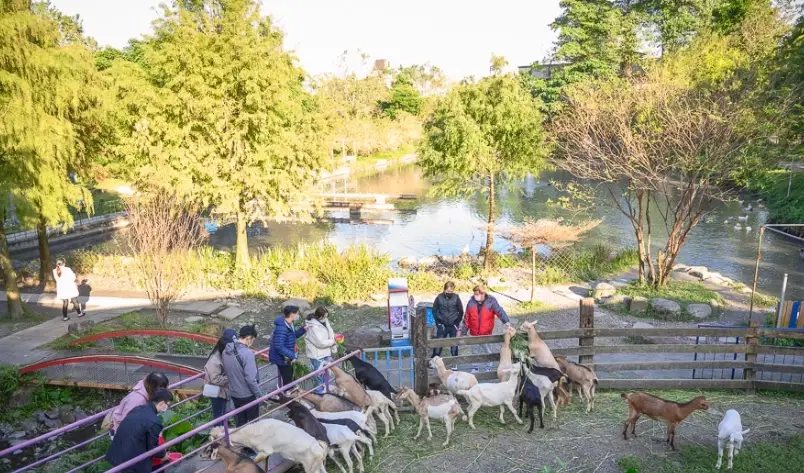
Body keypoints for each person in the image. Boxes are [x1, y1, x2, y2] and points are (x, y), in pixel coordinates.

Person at [106, 388, 173, 473]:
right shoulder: (154, 422)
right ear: (162, 403)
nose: (168, 408)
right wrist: (163, 454)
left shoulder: (139, 408)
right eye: (168, 405)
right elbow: (152, 448)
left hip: (118, 453)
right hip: (133, 460)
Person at [460, 285, 512, 373]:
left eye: (477, 294)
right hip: (474, 333)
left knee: (487, 351)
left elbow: (499, 311)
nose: (475, 296)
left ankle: (488, 365)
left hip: (486, 332)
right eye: (475, 294)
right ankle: (475, 366)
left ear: (483, 293)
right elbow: (466, 318)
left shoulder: (491, 301)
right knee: (475, 351)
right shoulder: (471, 302)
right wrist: (463, 332)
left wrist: (506, 321)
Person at [222, 324, 262, 427]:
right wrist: (258, 393)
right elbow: (250, 378)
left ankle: (241, 442)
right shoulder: (247, 354)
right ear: (249, 338)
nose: (252, 343)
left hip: (234, 394)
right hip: (248, 395)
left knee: (240, 423)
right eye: (253, 340)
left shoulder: (226, 352)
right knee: (254, 424)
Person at [203, 328, 237, 424]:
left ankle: (222, 432)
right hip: (216, 392)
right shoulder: (214, 360)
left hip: (222, 390)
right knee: (218, 415)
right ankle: (219, 434)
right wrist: (230, 378)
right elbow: (215, 379)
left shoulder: (222, 355)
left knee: (223, 413)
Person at [269, 305, 307, 388]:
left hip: (288, 357)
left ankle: (289, 396)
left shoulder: (289, 323)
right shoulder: (282, 328)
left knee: (291, 379)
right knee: (288, 382)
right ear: (292, 315)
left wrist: (303, 329)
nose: (298, 316)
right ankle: (287, 399)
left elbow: (293, 336)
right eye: (297, 314)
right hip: (283, 359)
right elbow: (279, 346)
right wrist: (292, 356)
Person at [305, 307, 337, 393]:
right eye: (324, 317)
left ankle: (325, 388)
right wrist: (332, 342)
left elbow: (330, 332)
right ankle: (319, 391)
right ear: (319, 316)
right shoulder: (313, 326)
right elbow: (320, 342)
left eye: (326, 316)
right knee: (319, 374)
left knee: (327, 372)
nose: (325, 318)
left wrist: (333, 340)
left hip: (325, 352)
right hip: (317, 354)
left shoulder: (324, 321)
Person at [431, 281, 463, 368]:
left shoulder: (456, 297)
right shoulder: (439, 297)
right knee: (439, 344)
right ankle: (435, 362)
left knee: (454, 344)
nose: (449, 293)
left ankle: (454, 363)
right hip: (442, 324)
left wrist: (457, 323)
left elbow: (461, 311)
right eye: (448, 291)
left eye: (451, 292)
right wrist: (438, 323)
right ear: (444, 290)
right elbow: (434, 310)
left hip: (453, 325)